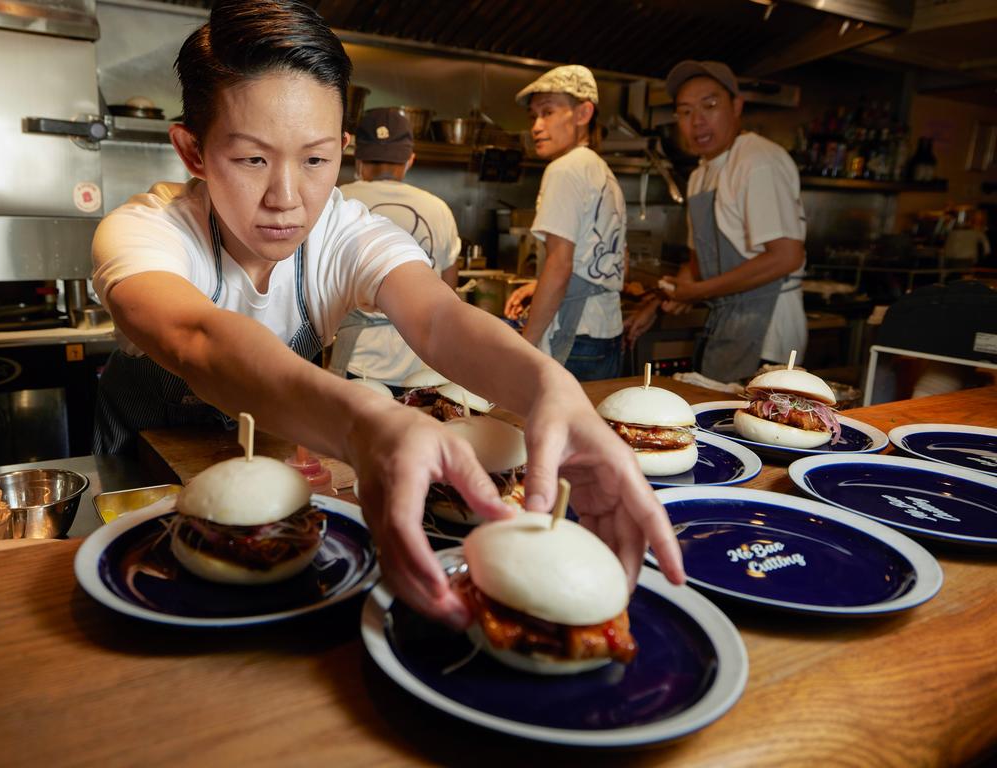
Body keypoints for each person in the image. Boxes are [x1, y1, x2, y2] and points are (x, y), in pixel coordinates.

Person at [90, 0, 683, 629]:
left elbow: (438, 320)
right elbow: (199, 340)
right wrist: (364, 421)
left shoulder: (343, 232)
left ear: (344, 149)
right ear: (193, 151)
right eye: (252, 159)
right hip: (135, 489)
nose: (286, 199)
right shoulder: (144, 230)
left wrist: (546, 387)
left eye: (316, 160)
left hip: (271, 505)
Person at [624, 60, 807, 383]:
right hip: (728, 323)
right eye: (685, 111)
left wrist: (696, 292)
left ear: (737, 106)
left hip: (767, 332)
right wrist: (664, 298)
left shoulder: (757, 161)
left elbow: (786, 256)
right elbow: (698, 262)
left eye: (710, 105)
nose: (697, 122)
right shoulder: (699, 176)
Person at [502, 65, 626, 382]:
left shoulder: (565, 169)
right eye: (533, 116)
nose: (537, 126)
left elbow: (559, 264)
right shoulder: (600, 170)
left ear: (583, 113)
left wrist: (525, 344)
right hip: (606, 334)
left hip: (576, 336)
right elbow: (604, 257)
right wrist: (537, 285)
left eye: (548, 112)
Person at [331, 107, 460, 388]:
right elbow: (449, 290)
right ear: (410, 160)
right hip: (423, 361)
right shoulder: (438, 209)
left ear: (357, 157)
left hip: (358, 362)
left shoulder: (337, 200)